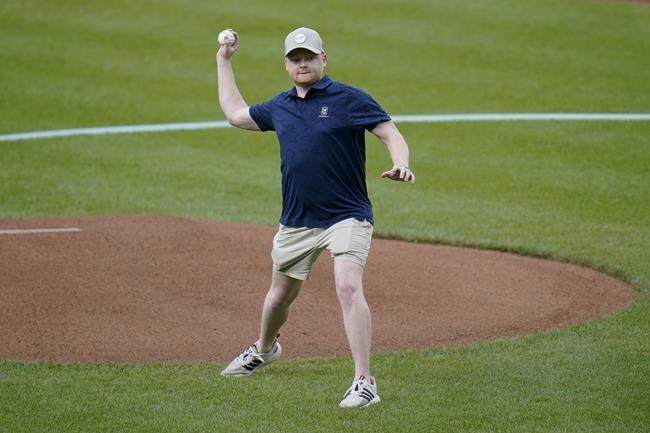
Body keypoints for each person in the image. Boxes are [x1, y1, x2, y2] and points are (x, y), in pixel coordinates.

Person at [216, 26, 415, 408]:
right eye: (295, 58)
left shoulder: (348, 99)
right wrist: (223, 62)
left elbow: (390, 132)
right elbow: (235, 115)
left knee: (346, 286)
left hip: (347, 216)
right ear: (286, 64)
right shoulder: (280, 106)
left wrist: (401, 163)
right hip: (297, 221)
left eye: (309, 57)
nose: (302, 63)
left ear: (323, 59)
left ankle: (364, 381)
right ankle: (264, 348)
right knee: (278, 297)